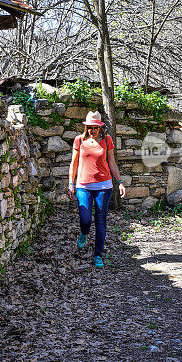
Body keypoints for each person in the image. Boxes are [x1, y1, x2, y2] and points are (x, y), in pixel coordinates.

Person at [67, 111, 126, 267]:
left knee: (101, 221)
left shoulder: (107, 140)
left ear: (100, 128)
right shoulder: (79, 140)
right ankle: (84, 233)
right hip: (83, 185)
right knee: (85, 219)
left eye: (96, 128)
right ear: (86, 128)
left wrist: (120, 181)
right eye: (90, 128)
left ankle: (98, 255)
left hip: (104, 186)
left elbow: (112, 163)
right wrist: (71, 183)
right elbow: (74, 163)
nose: (93, 131)